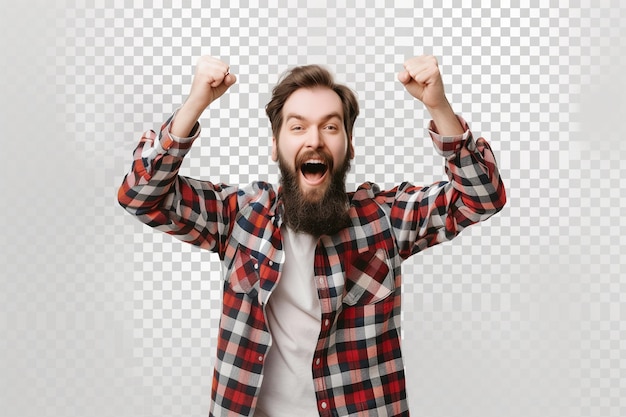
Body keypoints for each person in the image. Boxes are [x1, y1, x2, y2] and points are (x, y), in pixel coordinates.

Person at [118, 55, 506, 417]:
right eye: (298, 126)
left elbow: (481, 197)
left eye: (331, 126)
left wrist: (438, 107)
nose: (315, 140)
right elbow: (140, 195)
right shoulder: (238, 218)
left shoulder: (385, 219)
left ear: (349, 146)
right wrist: (194, 104)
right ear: (275, 145)